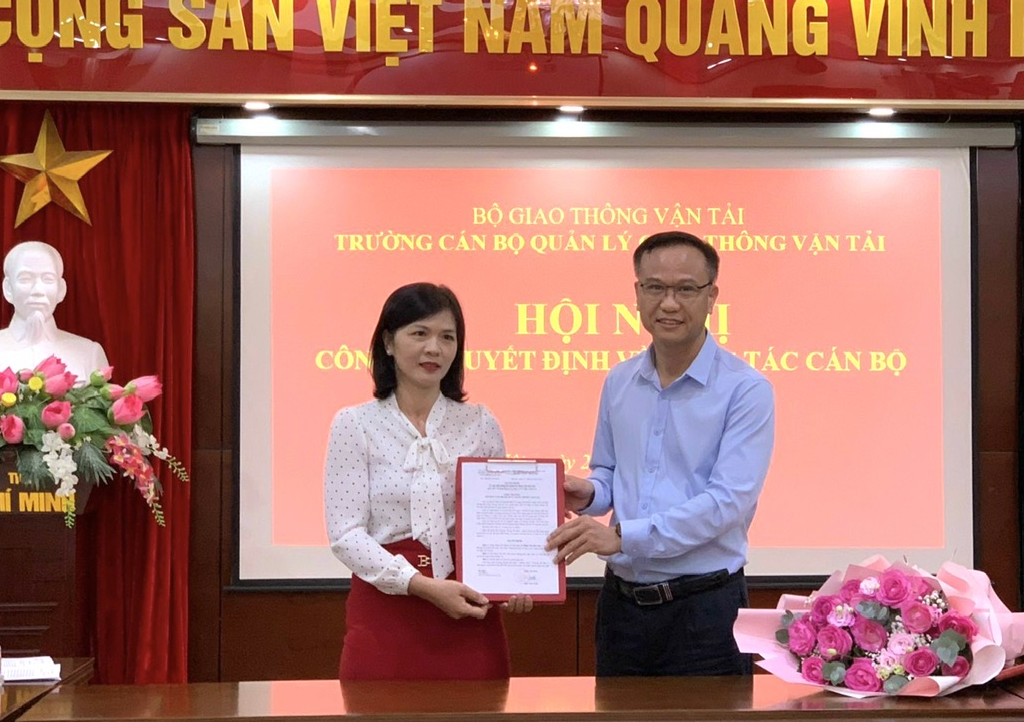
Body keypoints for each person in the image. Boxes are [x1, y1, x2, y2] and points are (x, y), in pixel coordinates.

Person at [546, 231, 774, 676]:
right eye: (655, 288)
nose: (669, 303)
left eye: (685, 289)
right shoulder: (620, 381)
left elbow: (727, 503)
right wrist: (588, 493)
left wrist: (623, 537)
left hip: (704, 612)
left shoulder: (746, 390)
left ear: (711, 296)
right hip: (622, 609)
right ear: (637, 293)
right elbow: (610, 472)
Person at [324, 282, 531, 681]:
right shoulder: (355, 424)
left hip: (468, 612)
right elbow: (346, 535)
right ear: (388, 342)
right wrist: (421, 585)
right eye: (419, 333)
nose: (434, 348)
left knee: (477, 721)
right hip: (385, 612)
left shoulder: (481, 423)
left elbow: (500, 524)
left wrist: (518, 580)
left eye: (447, 337)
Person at [0, 241, 109, 384]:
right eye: (25, 279)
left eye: (47, 279)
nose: (38, 290)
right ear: (8, 289)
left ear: (61, 289)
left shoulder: (90, 354)